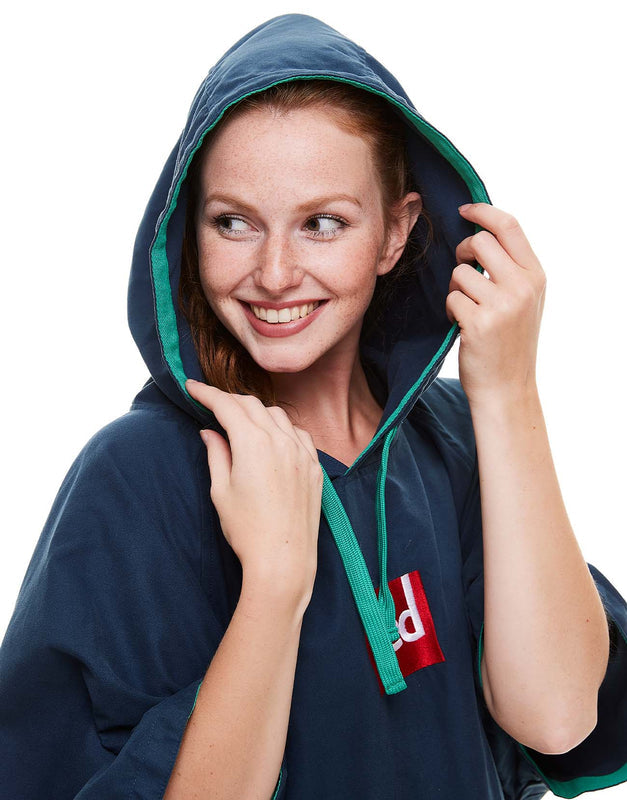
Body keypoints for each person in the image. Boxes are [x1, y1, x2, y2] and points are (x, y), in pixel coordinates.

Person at [0, 12, 626, 800]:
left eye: (322, 223)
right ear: (189, 231)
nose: (273, 273)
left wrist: (506, 392)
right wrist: (275, 581)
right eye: (233, 222)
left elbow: (557, 717)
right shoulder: (137, 475)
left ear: (395, 233)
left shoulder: (460, 437)